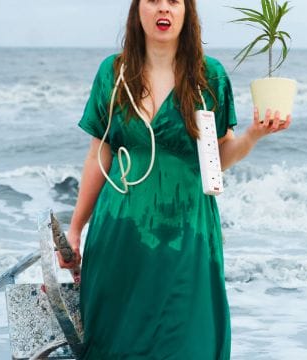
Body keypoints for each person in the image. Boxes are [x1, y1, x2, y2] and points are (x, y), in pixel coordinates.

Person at [57, 0, 291, 358]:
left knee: (186, 341)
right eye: (153, 0)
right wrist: (75, 229)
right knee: (115, 344)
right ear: (137, 10)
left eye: (174, 1)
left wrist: (253, 136)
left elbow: (218, 159)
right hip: (120, 233)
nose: (163, 9)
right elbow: (98, 156)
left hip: (187, 235)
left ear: (187, 12)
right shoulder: (113, 73)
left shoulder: (208, 76)